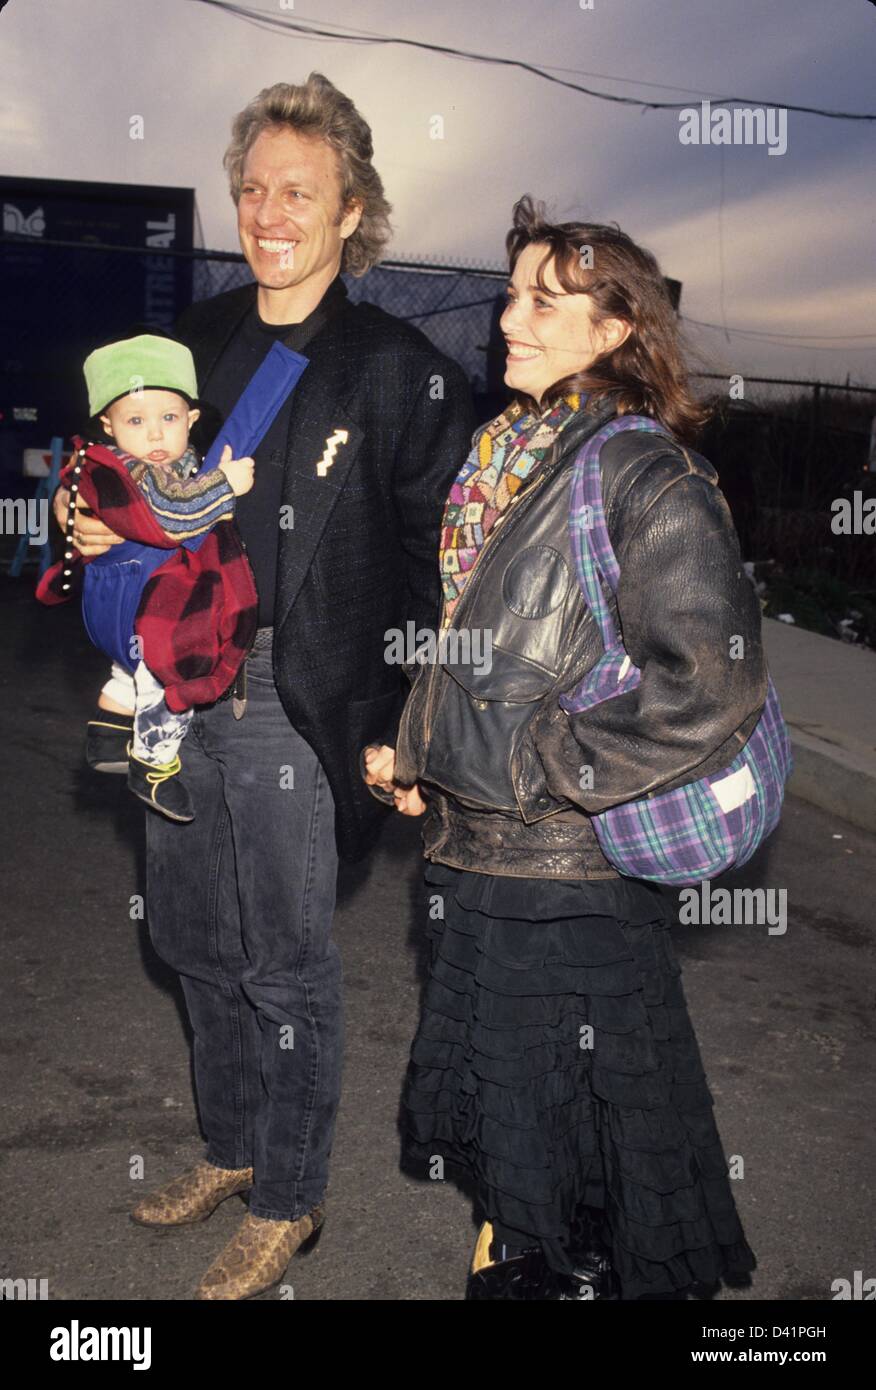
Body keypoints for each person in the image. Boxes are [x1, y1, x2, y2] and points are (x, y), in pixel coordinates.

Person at [53, 72, 475, 1300]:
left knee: (285, 962)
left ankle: (290, 1200)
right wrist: (88, 521)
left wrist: (411, 721)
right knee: (189, 938)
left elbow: (443, 569)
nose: (268, 210)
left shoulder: (400, 368)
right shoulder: (202, 335)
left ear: (353, 213)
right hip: (180, 689)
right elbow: (126, 460)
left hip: (302, 695)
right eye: (251, 188)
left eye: (300, 190)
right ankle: (233, 1150)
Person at [364, 196, 768, 1301]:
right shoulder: (506, 452)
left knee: (588, 1136)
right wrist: (419, 753)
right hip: (475, 855)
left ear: (616, 329)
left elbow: (712, 682)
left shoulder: (645, 473)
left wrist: (546, 765)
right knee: (515, 1118)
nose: (509, 319)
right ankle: (534, 1261)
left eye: (546, 299)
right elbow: (473, 646)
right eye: (511, 294)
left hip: (571, 879)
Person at [49, 332, 255, 822]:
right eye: (136, 421)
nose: (156, 436)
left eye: (169, 419)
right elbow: (173, 517)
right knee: (168, 682)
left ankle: (106, 734)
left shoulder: (151, 461)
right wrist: (225, 485)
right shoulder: (129, 469)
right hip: (152, 614)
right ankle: (153, 766)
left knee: (128, 674)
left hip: (122, 610)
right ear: (108, 425)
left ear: (192, 420)